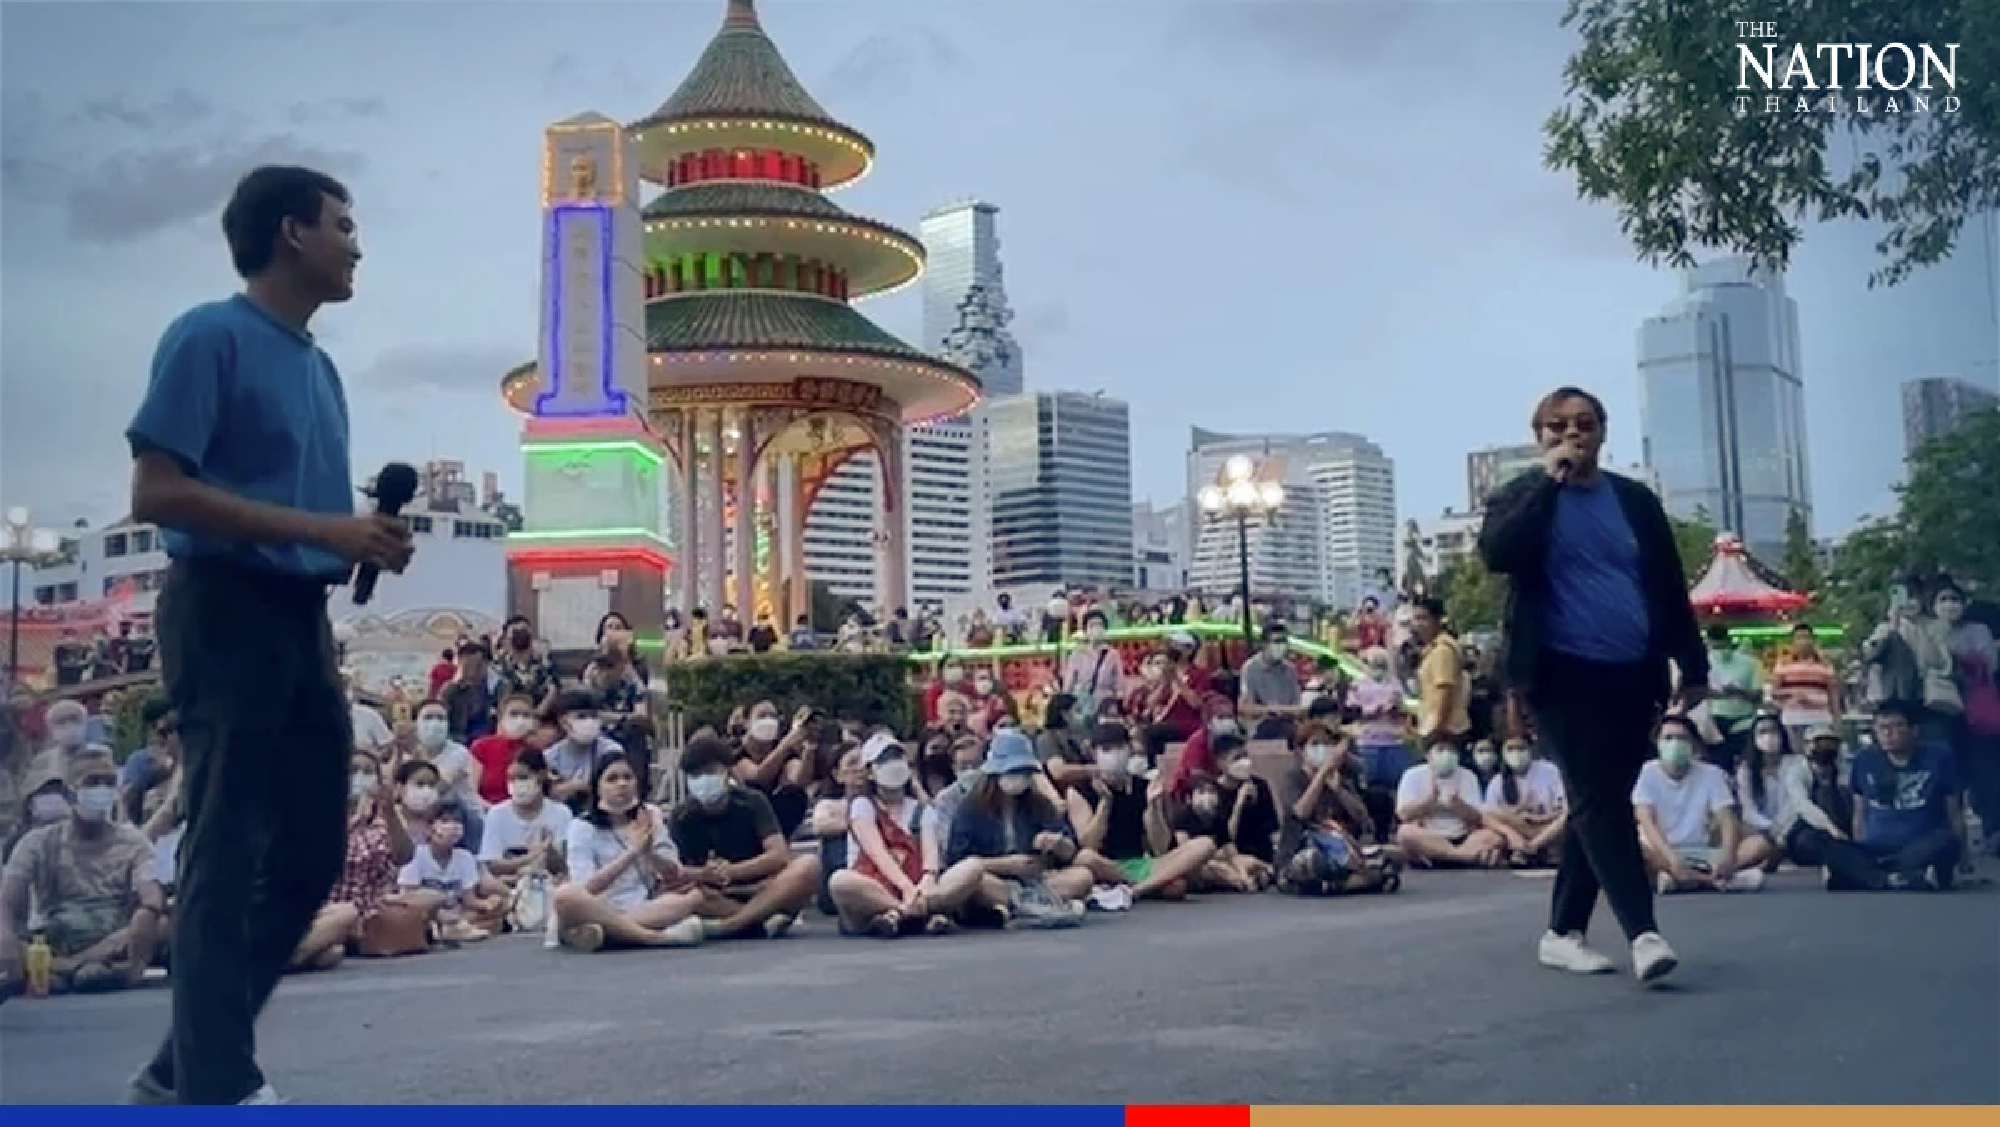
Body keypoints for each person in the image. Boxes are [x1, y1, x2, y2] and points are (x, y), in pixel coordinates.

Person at [122, 166, 413, 1104]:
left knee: (313, 851)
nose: (356, 242)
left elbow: (305, 515)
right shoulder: (210, 336)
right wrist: (323, 530)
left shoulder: (320, 367)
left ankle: (181, 1070)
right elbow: (157, 490)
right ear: (292, 232)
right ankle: (217, 1081)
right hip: (222, 605)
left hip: (302, 617)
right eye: (344, 223)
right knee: (227, 841)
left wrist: (357, 539)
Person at [1479, 386, 1706, 985]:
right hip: (1560, 671)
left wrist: (1693, 663)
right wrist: (1549, 484)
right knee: (1597, 797)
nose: (1571, 434)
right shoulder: (1523, 495)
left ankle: (1563, 932)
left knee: (1599, 797)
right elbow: (1499, 554)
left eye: (1583, 424)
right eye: (1557, 426)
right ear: (1539, 437)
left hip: (1633, 670)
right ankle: (1643, 933)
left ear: (1603, 432)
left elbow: (1667, 583)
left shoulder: (1632, 500)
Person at [0, 749, 164, 995]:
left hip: (113, 945)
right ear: (70, 791)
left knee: (158, 922)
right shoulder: (38, 842)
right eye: (92, 782)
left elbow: (151, 898)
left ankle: (86, 971)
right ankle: (59, 972)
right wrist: (6, 936)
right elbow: (8, 899)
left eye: (109, 782)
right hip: (52, 945)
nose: (102, 789)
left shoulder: (134, 843)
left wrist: (143, 919)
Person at [826, 734, 985, 936]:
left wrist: (928, 879)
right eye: (883, 761)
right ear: (871, 772)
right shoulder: (863, 806)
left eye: (897, 758)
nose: (892, 765)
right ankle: (909, 911)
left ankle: (903, 914)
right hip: (877, 888)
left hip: (919, 887)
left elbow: (930, 856)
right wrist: (905, 888)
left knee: (973, 867)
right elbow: (878, 854)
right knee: (840, 881)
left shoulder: (922, 810)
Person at [551, 753, 706, 951]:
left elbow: (674, 874)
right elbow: (587, 887)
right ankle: (652, 937)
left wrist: (649, 852)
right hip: (596, 907)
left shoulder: (650, 815)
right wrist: (633, 852)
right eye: (612, 779)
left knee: (693, 897)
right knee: (565, 895)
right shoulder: (581, 827)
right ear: (597, 787)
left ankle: (607, 933)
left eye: (627, 777)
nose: (621, 784)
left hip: (642, 907)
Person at [671, 735, 822, 939]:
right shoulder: (681, 816)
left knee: (808, 865)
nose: (703, 780)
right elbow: (675, 870)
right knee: (681, 896)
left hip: (762, 888)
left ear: (727, 771)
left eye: (710, 772)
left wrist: (732, 872)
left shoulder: (752, 802)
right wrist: (703, 874)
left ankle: (732, 925)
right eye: (696, 775)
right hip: (714, 895)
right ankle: (759, 921)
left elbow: (778, 855)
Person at [1067, 721, 1216, 903]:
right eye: (1106, 749)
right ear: (1094, 754)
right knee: (1085, 858)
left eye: (1119, 748)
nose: (1114, 755)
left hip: (1142, 863)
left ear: (1129, 749)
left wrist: (1153, 805)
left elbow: (1160, 847)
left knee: (1204, 845)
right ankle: (1147, 885)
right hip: (1108, 864)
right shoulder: (1080, 791)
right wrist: (1105, 803)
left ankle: (1134, 890)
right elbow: (1088, 844)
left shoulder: (1144, 786)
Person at [1633, 715, 1769, 893]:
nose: (1675, 743)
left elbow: (1727, 818)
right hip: (1661, 852)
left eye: (1682, 738)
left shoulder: (1712, 774)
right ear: (1657, 743)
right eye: (1668, 738)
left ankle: (1681, 880)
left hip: (1701, 852)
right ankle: (1712, 881)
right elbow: (1646, 820)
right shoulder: (1646, 773)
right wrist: (1671, 858)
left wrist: (1728, 856)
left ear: (1693, 745)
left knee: (1760, 844)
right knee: (1633, 850)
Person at [1850, 700, 1967, 889]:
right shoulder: (1863, 760)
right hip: (1876, 845)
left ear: (1914, 730)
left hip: (1921, 842)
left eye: (1896, 726)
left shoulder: (1939, 756)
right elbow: (1859, 812)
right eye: (1882, 727)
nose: (1888, 734)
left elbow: (1954, 809)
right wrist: (1856, 849)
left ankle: (1874, 875)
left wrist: (1963, 857)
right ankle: (1901, 876)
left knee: (1946, 841)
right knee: (1826, 844)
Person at [1394, 741, 1504, 867]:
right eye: (1440, 750)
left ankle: (1448, 857)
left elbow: (1477, 818)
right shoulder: (1412, 775)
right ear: (1428, 755)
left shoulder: (1468, 776)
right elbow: (1403, 815)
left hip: (1463, 837)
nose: (1446, 755)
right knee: (1405, 832)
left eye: (1451, 751)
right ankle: (1464, 857)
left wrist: (1458, 806)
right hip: (1428, 836)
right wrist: (1429, 802)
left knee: (1494, 837)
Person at [1482, 735, 1568, 866]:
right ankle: (1522, 847)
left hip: (1548, 827)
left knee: (1568, 816)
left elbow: (1564, 808)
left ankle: (1530, 848)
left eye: (1521, 748)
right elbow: (1488, 816)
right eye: (1510, 749)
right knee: (1488, 816)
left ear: (1531, 749)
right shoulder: (1497, 781)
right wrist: (1514, 822)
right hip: (1517, 828)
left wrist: (1539, 818)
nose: (1516, 753)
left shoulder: (1550, 771)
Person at [1704, 626, 1765, 775]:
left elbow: (1758, 695)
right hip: (1713, 721)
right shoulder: (1703, 663)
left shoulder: (1750, 663)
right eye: (1715, 647)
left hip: (1743, 721)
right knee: (1717, 765)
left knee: (1747, 766)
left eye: (1722, 646)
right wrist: (1715, 692)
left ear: (1729, 641)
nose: (1719, 651)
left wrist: (1740, 692)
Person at [1238, 623, 1304, 740]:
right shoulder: (1251, 669)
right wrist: (1272, 710)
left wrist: (1282, 710)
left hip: (1287, 726)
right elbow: (1246, 708)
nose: (1282, 646)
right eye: (1277, 641)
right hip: (1261, 730)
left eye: (1284, 641)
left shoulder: (1290, 669)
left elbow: (1297, 708)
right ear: (1264, 644)